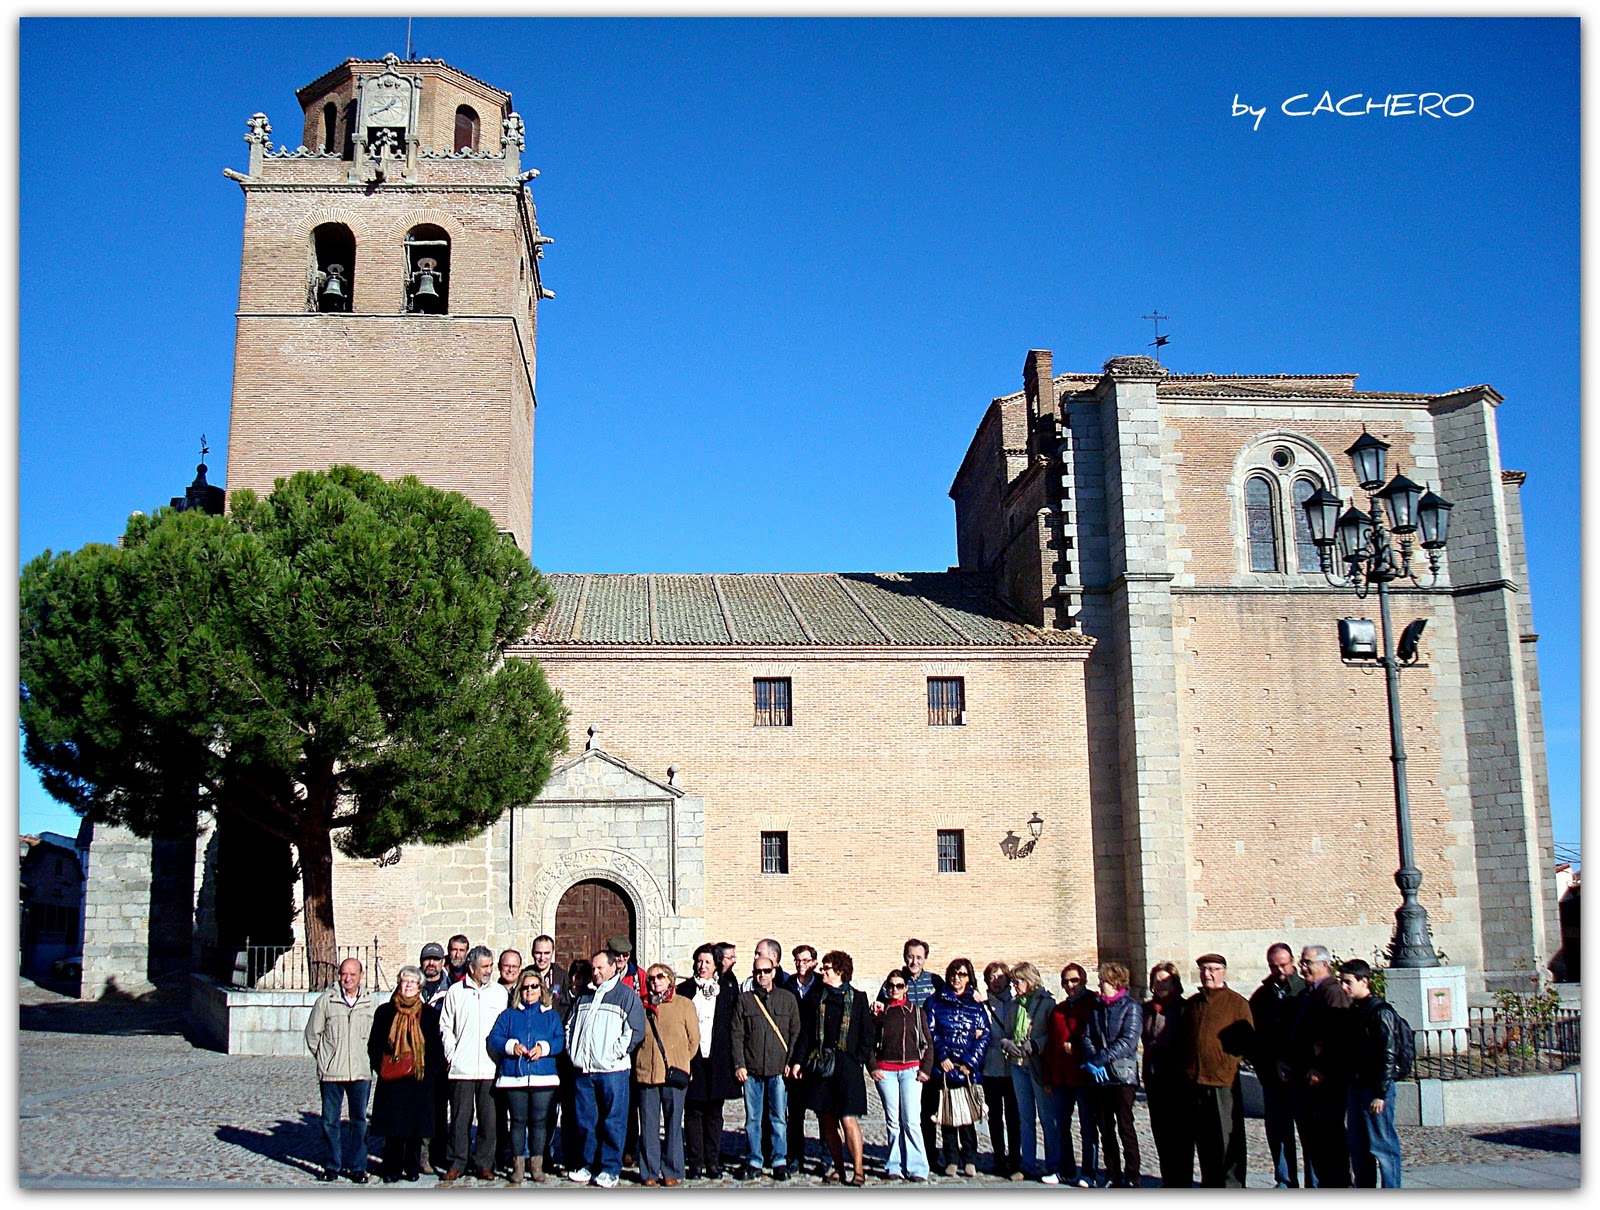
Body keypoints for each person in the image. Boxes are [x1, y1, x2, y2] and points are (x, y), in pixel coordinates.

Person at [565, 947, 646, 1188]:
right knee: (586, 1121)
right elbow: (570, 1026)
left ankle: (610, 1169)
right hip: (584, 1070)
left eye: (600, 967)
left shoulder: (626, 996)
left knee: (613, 1121)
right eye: (593, 968)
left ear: (612, 967)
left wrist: (613, 1054)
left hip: (612, 1071)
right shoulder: (584, 996)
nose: (596, 972)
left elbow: (635, 1030)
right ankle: (587, 1165)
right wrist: (573, 1051)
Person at [796, 949, 875, 1186]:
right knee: (828, 1121)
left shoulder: (857, 998)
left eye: (827, 968)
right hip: (823, 1068)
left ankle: (858, 1170)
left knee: (848, 1119)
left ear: (840, 971)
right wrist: (799, 1061)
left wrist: (857, 1058)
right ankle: (838, 1168)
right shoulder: (816, 998)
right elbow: (806, 1033)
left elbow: (867, 1034)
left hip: (848, 1069)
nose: (822, 971)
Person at [487, 967, 564, 1184]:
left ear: (541, 990)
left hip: (543, 1077)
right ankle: (518, 1167)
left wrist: (543, 1048)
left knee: (539, 1122)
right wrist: (512, 1046)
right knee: (518, 1121)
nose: (529, 991)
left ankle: (536, 1166)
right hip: (515, 1076)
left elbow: (560, 1040)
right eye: (525, 987)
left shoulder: (550, 1016)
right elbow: (494, 1038)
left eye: (534, 987)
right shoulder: (508, 1015)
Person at [1183, 953, 1254, 1188]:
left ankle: (1231, 1184)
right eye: (1204, 970)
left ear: (1223, 972)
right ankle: (1210, 1181)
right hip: (1197, 1080)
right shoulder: (1194, 1003)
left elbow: (1247, 1040)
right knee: (1204, 1137)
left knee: (1227, 1136)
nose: (1208, 974)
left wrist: (1228, 1064)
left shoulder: (1236, 1003)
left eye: (1213, 969)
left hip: (1223, 1080)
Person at [304, 957, 376, 1183]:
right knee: (330, 1121)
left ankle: (358, 1167)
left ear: (361, 975)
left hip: (360, 1071)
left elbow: (376, 1037)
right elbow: (312, 1034)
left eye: (353, 974)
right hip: (332, 1073)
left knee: (359, 1121)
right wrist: (324, 1059)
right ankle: (331, 1165)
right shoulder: (326, 1001)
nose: (348, 978)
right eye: (344, 974)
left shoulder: (371, 1002)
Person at [368, 964, 443, 1183]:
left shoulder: (428, 1014)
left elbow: (435, 1047)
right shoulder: (385, 1012)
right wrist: (382, 1068)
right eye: (405, 981)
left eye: (413, 982)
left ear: (420, 987)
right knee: (393, 1128)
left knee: (415, 1127)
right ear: (399, 984)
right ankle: (392, 1167)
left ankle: (412, 1167)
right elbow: (375, 1044)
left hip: (418, 1078)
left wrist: (428, 1072)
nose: (408, 985)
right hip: (392, 1078)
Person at [731, 952, 802, 1180]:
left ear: (774, 972)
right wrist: (739, 1064)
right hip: (751, 1070)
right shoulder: (744, 1000)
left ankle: (779, 1160)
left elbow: (795, 1033)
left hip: (778, 1069)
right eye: (757, 972)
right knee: (753, 1119)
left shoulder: (787, 999)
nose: (762, 975)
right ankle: (754, 1160)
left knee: (778, 1118)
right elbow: (737, 1034)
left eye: (766, 971)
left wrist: (790, 1062)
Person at [876, 938, 945, 1169]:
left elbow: (951, 999)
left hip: (925, 1054)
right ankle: (899, 1161)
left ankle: (928, 1157)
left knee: (926, 1112)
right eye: (910, 956)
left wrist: (973, 993)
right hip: (896, 1058)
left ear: (925, 959)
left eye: (919, 957)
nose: (914, 961)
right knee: (898, 1117)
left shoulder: (935, 981)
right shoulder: (895, 980)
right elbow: (880, 1011)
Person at [437, 945, 503, 1182]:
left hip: (489, 1067)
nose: (489, 971)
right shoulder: (456, 992)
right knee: (460, 1118)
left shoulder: (499, 993)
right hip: (462, 1068)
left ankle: (484, 1163)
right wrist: (452, 1054)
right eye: (484, 966)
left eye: (490, 966)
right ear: (472, 968)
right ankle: (457, 1162)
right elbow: (445, 1025)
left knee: (488, 1120)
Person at [921, 957, 991, 1179]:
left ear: (969, 977)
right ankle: (951, 1158)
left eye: (962, 974)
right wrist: (942, 1056)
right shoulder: (935, 1001)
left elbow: (984, 1034)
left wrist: (971, 1062)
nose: (957, 978)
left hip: (966, 1069)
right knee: (948, 1116)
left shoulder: (976, 1004)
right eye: (953, 973)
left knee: (967, 1116)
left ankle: (969, 1159)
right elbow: (931, 1031)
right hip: (945, 1068)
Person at [1338, 960, 1404, 1189]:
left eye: (1348, 982)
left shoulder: (1381, 1012)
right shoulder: (1355, 1011)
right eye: (1342, 982)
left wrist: (1381, 1093)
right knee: (1358, 1147)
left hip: (1374, 1088)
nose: (1344, 987)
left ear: (1364, 982)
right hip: (1356, 1086)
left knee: (1383, 1146)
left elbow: (1388, 1055)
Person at [1292, 943, 1353, 1187]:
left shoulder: (1332, 992)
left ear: (1324, 964)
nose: (1303, 968)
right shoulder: (1309, 993)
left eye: (1307, 963)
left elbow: (1339, 1035)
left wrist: (1322, 1068)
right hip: (1306, 1079)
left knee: (1330, 1139)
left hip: (1325, 1082)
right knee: (1314, 1141)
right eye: (1302, 962)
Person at [1249, 941, 1308, 1187]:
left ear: (1292, 962)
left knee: (1308, 1131)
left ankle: (1314, 1182)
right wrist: (1262, 1065)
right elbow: (1253, 1033)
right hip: (1271, 1075)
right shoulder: (1263, 995)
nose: (1280, 971)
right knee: (1278, 1131)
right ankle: (1285, 1179)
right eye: (1274, 967)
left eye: (1284, 965)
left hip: (1301, 1075)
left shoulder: (1304, 991)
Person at [635, 962, 700, 1186]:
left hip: (674, 1073)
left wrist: (680, 1060)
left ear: (670, 979)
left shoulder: (684, 1005)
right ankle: (649, 1172)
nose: (655, 981)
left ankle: (671, 1169)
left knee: (673, 1124)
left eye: (660, 977)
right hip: (648, 1073)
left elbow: (693, 1040)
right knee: (648, 1124)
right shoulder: (642, 1005)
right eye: (651, 978)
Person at [1079, 961, 1141, 1188]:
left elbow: (1128, 1041)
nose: (1100, 985)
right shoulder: (1097, 1007)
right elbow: (1087, 1036)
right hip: (1101, 1077)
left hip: (1122, 1075)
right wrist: (1093, 1059)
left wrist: (1100, 1059)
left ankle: (1132, 1174)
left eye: (1103, 981)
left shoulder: (1131, 1007)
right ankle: (1112, 1173)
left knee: (1125, 1126)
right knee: (1105, 1127)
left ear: (1115, 983)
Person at [680, 944, 739, 1180]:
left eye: (707, 962)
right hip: (692, 1058)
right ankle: (695, 1162)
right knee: (693, 1111)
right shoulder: (685, 990)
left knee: (714, 1113)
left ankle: (713, 1161)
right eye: (699, 961)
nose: (702, 966)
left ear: (716, 965)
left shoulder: (727, 990)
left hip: (717, 1059)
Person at [870, 967, 932, 1182]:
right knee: (893, 1121)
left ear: (906, 988)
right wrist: (873, 1066)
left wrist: (925, 1069)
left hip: (911, 1071)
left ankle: (917, 1167)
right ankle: (894, 1165)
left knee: (911, 1121)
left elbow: (927, 1042)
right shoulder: (880, 1012)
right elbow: (869, 1041)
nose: (894, 989)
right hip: (886, 1071)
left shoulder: (916, 1012)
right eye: (891, 986)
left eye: (899, 986)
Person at [1001, 961, 1059, 1183]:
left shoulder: (1046, 1003)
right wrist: (1008, 1044)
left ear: (1029, 980)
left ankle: (1053, 1164)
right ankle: (1028, 1163)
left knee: (1046, 1116)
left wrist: (1036, 1044)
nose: (1014, 986)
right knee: (1025, 1117)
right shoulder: (1014, 1005)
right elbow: (1006, 1033)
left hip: (1038, 1065)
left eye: (1018, 981)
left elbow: (1052, 1035)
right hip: (1018, 1064)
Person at [1044, 962, 1097, 1186]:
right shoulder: (1059, 1010)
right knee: (1062, 1126)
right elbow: (1051, 1046)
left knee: (1087, 1127)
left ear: (1083, 980)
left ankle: (1089, 1173)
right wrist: (1048, 1078)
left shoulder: (1094, 1005)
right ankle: (1065, 1170)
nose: (1070, 985)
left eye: (1074, 980)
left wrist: (1078, 1046)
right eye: (1066, 982)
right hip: (1061, 1076)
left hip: (1085, 1076)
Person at [1141, 961, 1193, 1189]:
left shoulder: (1184, 1008)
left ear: (1175, 983)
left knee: (1181, 1133)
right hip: (1154, 1078)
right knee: (1161, 1131)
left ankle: (1182, 1181)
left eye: (1166, 981)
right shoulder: (1147, 1008)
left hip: (1178, 1078)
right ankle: (1169, 1179)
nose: (1161, 985)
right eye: (1157, 981)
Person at [979, 961, 1022, 1179]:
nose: (996, 981)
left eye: (1001, 977)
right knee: (994, 1116)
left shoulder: (1016, 1004)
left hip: (1013, 1069)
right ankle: (998, 1157)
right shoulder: (982, 1006)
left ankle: (1015, 1160)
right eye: (992, 977)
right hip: (991, 1068)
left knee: (1014, 1116)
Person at [785, 944, 823, 1173]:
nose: (802, 965)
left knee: (823, 1111)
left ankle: (825, 1158)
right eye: (798, 961)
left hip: (815, 1057)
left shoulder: (822, 985)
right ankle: (794, 1157)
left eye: (806, 960)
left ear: (814, 963)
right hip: (793, 1055)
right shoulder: (788, 985)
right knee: (795, 1112)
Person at [416, 942, 452, 1174]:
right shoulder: (412, 987)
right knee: (420, 1108)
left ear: (442, 962)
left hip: (441, 1058)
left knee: (440, 1108)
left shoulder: (451, 990)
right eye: (427, 959)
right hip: (417, 1058)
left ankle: (439, 1153)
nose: (431, 963)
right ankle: (420, 1155)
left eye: (436, 959)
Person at [492, 948, 524, 1173]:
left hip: (518, 1063)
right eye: (506, 966)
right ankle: (498, 1155)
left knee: (520, 1116)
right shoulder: (491, 992)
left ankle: (520, 1156)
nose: (510, 970)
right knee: (496, 1113)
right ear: (499, 967)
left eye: (514, 966)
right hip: (493, 1059)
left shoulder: (526, 992)